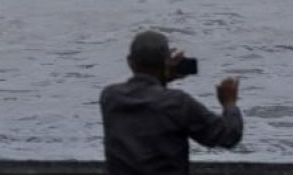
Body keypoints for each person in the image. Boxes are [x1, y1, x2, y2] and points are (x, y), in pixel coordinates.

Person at [100, 30, 243, 174]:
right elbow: (228, 136)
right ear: (166, 62)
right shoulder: (178, 103)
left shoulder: (110, 97)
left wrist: (163, 78)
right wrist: (229, 103)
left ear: (130, 62)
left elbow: (147, 98)